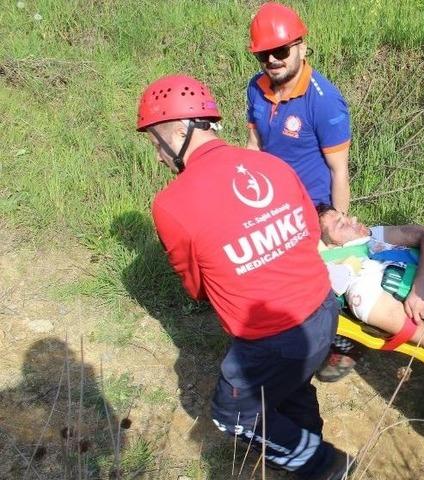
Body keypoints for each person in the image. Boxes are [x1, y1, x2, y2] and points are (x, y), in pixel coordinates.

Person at [136, 74, 347, 479]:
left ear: (180, 131)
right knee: (291, 385)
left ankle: (323, 464)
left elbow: (196, 287)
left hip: (271, 340)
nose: (159, 157)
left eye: (155, 142)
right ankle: (308, 449)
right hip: (323, 310)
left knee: (232, 414)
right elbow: (307, 233)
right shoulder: (271, 164)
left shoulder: (171, 204)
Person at [245, 2, 357, 380]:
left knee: (317, 282)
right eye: (265, 54)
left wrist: (338, 231)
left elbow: (339, 171)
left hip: (313, 208)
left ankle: (337, 344)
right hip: (269, 201)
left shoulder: (324, 103)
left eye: (281, 50)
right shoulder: (256, 89)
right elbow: (254, 145)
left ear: (302, 48)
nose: (273, 60)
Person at [317, 205, 424, 348]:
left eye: (344, 215)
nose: (352, 219)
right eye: (340, 224)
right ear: (329, 247)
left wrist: (421, 285)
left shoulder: (371, 237)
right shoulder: (361, 287)